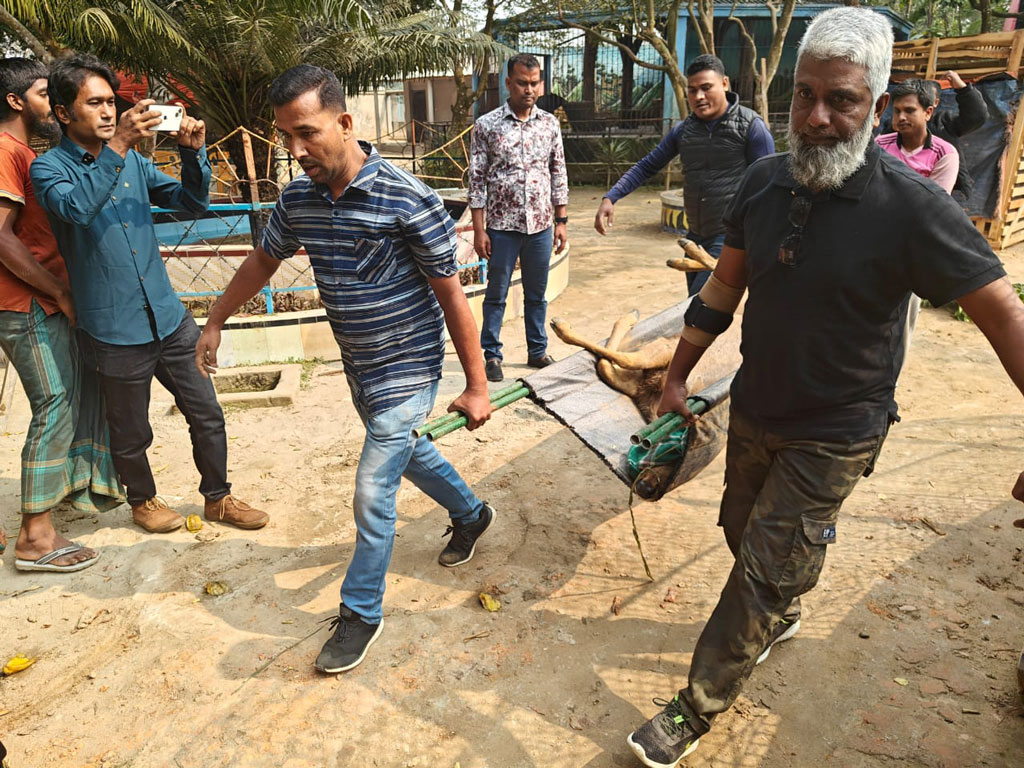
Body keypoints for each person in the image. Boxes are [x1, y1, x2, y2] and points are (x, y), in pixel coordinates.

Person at [626, 9, 1024, 767]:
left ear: (876, 107)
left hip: (839, 428)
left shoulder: (914, 210)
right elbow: (723, 286)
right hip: (758, 406)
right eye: (804, 95)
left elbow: (1004, 315)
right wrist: (677, 373)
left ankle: (695, 705)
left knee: (761, 571)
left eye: (840, 100)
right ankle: (784, 603)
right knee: (741, 531)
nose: (816, 116)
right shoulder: (764, 181)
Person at [194, 65, 496, 674]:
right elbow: (263, 261)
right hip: (358, 364)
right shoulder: (298, 198)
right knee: (409, 454)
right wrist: (216, 319)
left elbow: (452, 295)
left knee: (372, 487)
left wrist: (477, 383)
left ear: (345, 122)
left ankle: (360, 612)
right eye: (286, 137)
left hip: (409, 368)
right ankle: (471, 513)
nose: (296, 150)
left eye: (307, 132)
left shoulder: (409, 198)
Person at [30, 54, 267, 535]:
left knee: (207, 413)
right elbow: (76, 211)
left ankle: (218, 498)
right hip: (112, 326)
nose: (107, 112)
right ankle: (142, 501)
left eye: (110, 103)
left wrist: (191, 154)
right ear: (61, 113)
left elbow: (191, 203)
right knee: (132, 429)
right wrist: (117, 145)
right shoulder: (49, 170)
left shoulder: (133, 162)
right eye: (93, 104)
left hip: (168, 316)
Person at [0, 57, 122, 572]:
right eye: (44, 93)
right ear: (15, 100)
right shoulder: (6, 151)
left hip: (34, 298)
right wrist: (57, 291)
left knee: (62, 400)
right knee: (55, 403)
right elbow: (0, 237)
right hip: (25, 302)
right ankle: (35, 537)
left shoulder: (26, 152)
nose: (54, 103)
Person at [595, 54, 775, 296]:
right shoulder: (684, 130)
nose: (698, 97)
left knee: (701, 307)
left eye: (706, 88)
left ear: (724, 84)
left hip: (731, 237)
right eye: (692, 91)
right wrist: (611, 197)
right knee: (698, 309)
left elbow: (769, 187)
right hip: (695, 235)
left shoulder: (751, 127)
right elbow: (647, 165)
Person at [468, 53, 569, 383]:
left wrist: (562, 220)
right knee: (496, 293)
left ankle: (537, 350)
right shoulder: (486, 126)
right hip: (501, 227)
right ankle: (492, 354)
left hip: (540, 225)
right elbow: (477, 179)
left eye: (535, 83)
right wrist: (479, 230)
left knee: (537, 293)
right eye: (522, 83)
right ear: (508, 84)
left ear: (541, 84)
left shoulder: (550, 124)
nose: (529, 89)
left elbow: (558, 172)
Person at [876, 79, 958, 193]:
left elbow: (935, 202)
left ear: (928, 113)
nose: (901, 117)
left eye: (909, 110)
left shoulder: (944, 154)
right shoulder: (879, 145)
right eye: (897, 111)